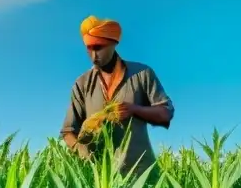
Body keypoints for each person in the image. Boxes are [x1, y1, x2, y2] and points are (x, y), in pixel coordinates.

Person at [61, 15, 174, 175]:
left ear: (113, 43)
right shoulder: (82, 84)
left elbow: (166, 113)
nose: (94, 55)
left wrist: (134, 110)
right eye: (89, 48)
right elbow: (68, 132)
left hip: (140, 174)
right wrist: (83, 152)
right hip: (99, 178)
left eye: (99, 47)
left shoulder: (142, 74)